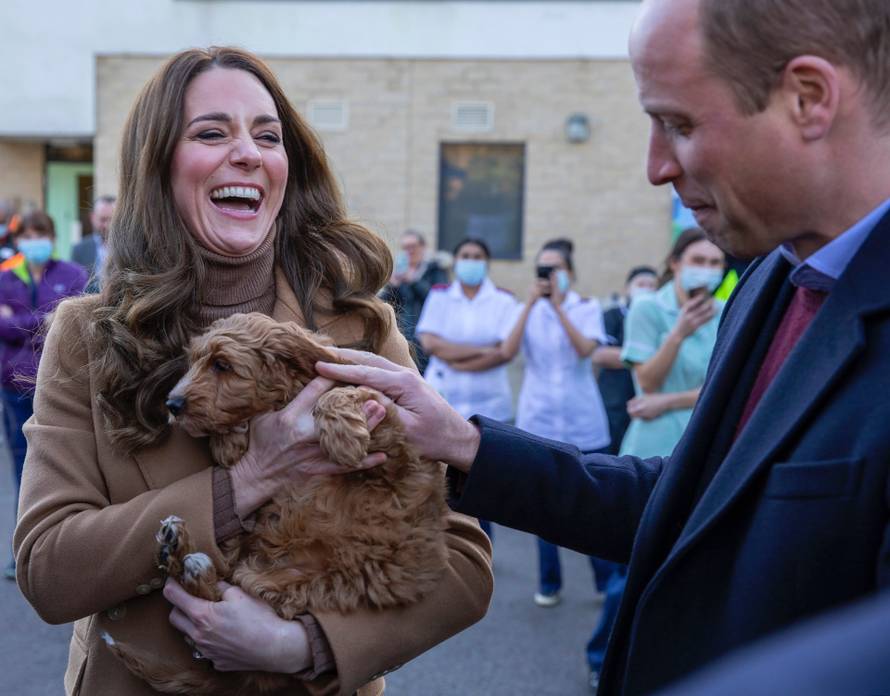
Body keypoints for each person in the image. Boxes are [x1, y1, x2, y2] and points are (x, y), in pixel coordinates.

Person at [315, 0, 890, 693]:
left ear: (809, 98)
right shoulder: (772, 277)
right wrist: (461, 440)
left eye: (679, 125)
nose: (655, 167)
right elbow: (689, 505)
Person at [13, 47, 491, 696]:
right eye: (212, 133)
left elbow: (462, 559)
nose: (248, 153)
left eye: (268, 137)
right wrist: (246, 480)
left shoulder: (358, 325)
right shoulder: (87, 336)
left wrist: (306, 645)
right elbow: (47, 569)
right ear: (158, 166)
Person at [498, 238, 609, 607]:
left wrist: (560, 308)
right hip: (539, 416)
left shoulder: (586, 307)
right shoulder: (525, 310)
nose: (548, 275)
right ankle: (549, 582)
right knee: (543, 502)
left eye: (555, 268)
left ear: (570, 273)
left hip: (582, 417)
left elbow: (585, 349)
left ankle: (604, 580)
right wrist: (531, 304)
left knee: (593, 499)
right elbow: (507, 351)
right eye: (542, 269)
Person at [0, 211, 87, 580]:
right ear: (18, 240)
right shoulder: (5, 277)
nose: (34, 240)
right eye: (28, 234)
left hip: (58, 384)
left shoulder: (73, 274)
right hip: (13, 386)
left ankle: (62, 550)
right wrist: (46, 318)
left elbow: (72, 323)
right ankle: (22, 551)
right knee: (23, 466)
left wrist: (16, 320)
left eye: (41, 233)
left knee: (64, 465)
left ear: (52, 237)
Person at [415, 236, 520, 539]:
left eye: (477, 256)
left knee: (483, 487)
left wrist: (455, 357)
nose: (470, 261)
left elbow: (506, 352)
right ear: (456, 260)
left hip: (489, 405)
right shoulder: (441, 296)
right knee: (438, 486)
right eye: (465, 255)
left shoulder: (503, 300)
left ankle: (481, 548)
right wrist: (484, 351)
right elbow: (430, 343)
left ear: (486, 263)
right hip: (445, 399)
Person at [585, 264, 656, 691]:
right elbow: (601, 354)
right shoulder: (618, 315)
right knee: (627, 567)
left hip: (676, 436)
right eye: (639, 282)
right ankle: (601, 658)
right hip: (625, 425)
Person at [620, 229, 724, 459]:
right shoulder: (647, 308)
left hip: (706, 438)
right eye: (698, 261)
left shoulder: (726, 311)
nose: (706, 270)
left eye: (715, 263)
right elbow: (647, 383)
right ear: (675, 263)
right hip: (656, 441)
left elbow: (726, 387)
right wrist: (678, 334)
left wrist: (667, 401)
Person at [380, 230, 448, 372]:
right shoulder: (400, 274)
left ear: (423, 247)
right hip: (404, 339)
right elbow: (385, 305)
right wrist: (392, 286)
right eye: (405, 247)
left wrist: (414, 281)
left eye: (413, 246)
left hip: (428, 341)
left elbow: (439, 300)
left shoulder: (435, 270)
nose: (409, 251)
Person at [72, 194, 115, 293]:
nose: (107, 225)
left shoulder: (129, 247)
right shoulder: (80, 249)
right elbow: (74, 285)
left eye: (112, 220)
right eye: (103, 220)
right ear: (92, 217)